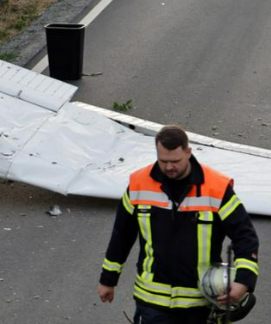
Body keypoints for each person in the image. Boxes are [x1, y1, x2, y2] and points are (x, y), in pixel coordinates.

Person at [99, 125, 259, 322]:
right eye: (163, 161)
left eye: (175, 161)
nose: (168, 167)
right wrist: (108, 280)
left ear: (188, 152)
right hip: (152, 300)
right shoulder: (139, 184)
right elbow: (121, 236)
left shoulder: (216, 188)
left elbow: (245, 236)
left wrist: (243, 281)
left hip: (199, 303)